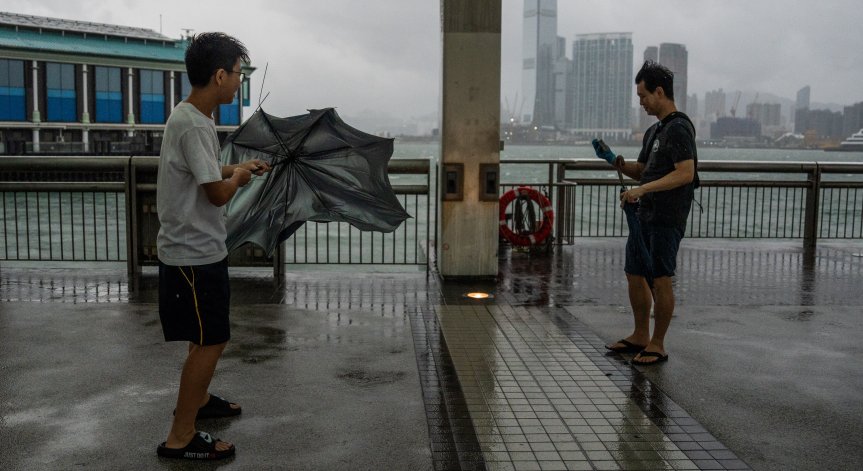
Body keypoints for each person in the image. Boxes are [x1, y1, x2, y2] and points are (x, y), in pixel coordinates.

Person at [155, 32, 270, 460]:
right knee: (211, 340)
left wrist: (234, 166)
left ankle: (199, 404)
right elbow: (216, 195)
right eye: (238, 74)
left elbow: (200, 169)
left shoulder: (192, 119)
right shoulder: (192, 123)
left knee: (203, 336)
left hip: (195, 251)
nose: (240, 81)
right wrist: (237, 180)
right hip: (193, 255)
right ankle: (180, 437)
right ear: (219, 75)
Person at [603, 60, 697, 365]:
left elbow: (685, 173)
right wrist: (618, 164)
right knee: (634, 273)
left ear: (660, 91)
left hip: (666, 217)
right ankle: (640, 334)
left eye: (644, 96)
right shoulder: (655, 131)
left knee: (660, 279)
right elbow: (643, 171)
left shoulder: (679, 128)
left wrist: (643, 190)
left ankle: (658, 343)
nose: (641, 102)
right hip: (644, 215)